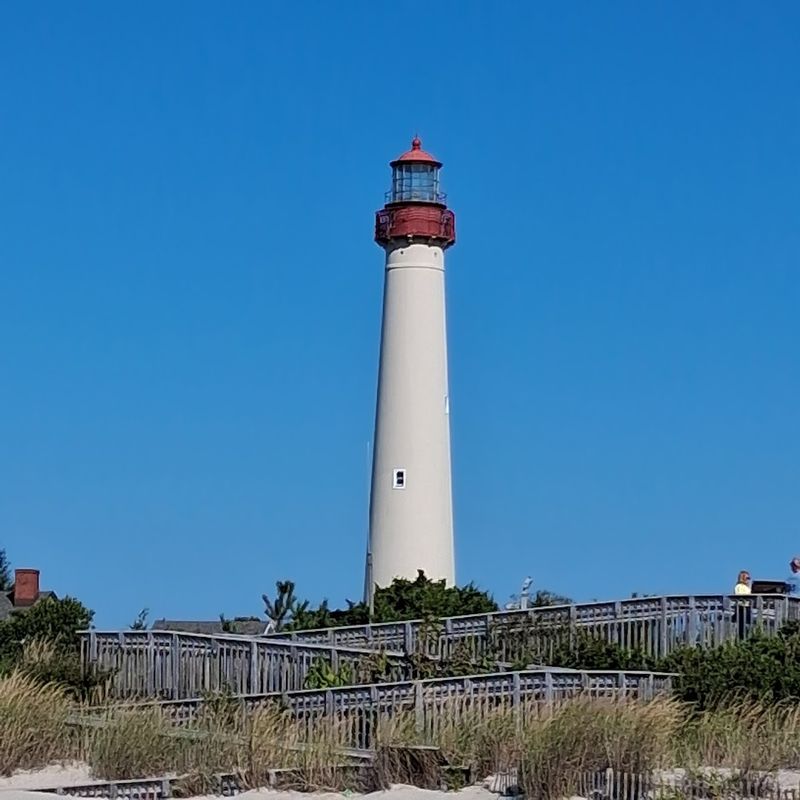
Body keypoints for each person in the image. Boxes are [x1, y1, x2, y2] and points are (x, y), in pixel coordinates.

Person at [734, 570, 751, 639]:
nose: (748, 580)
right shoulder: (739, 586)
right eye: (747, 578)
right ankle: (742, 638)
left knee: (748, 623)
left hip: (747, 606)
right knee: (742, 625)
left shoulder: (747, 587)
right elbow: (740, 595)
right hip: (741, 607)